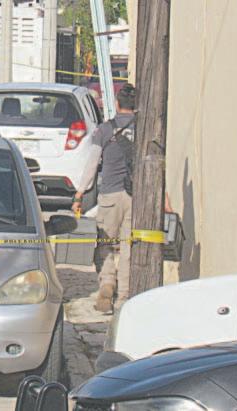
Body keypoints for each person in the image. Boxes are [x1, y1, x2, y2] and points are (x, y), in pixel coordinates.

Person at [73, 84, 137, 313]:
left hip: (110, 195)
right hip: (135, 197)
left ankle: (107, 284)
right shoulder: (144, 128)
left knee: (105, 244)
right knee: (128, 248)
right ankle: (124, 297)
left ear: (117, 104)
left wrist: (80, 193)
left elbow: (92, 164)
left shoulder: (105, 130)